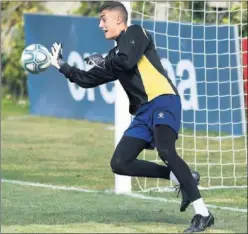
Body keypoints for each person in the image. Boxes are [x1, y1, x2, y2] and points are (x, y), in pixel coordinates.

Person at [49, 1, 214, 232]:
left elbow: (126, 60)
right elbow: (86, 80)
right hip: (143, 112)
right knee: (120, 163)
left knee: (166, 151)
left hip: (163, 99)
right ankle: (180, 177)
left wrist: (105, 61)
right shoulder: (113, 55)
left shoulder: (136, 32)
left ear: (119, 19)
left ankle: (203, 214)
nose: (100, 25)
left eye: (103, 19)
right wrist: (60, 65)